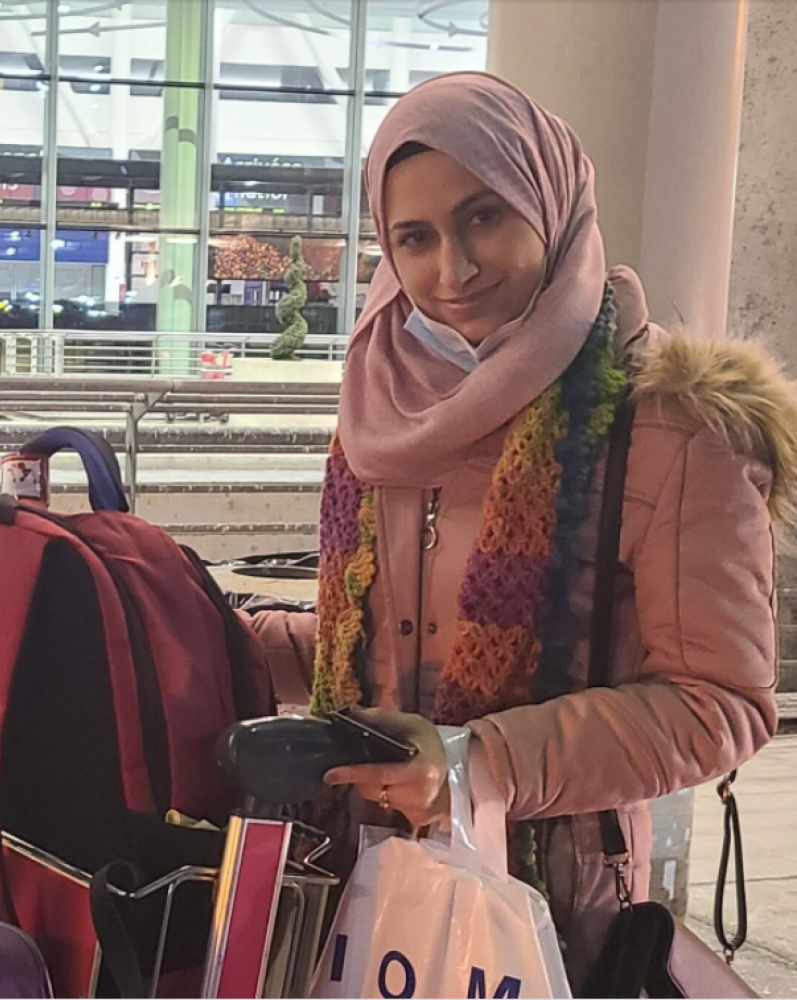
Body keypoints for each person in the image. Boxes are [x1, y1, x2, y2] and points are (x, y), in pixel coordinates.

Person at [248, 72, 797, 993]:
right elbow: (395, 649)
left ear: (551, 200)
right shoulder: (384, 406)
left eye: (485, 218)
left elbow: (722, 702)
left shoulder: (670, 423)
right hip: (365, 881)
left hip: (550, 901)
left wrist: (477, 764)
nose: (452, 271)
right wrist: (245, 636)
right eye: (415, 238)